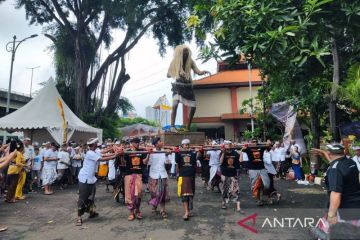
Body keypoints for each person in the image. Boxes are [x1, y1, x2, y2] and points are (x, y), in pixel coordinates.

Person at [312, 144, 360, 235]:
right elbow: (335, 162)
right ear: (343, 152)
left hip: (343, 209)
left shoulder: (335, 169)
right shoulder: (350, 162)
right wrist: (324, 154)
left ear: (329, 153)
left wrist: (331, 215)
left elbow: (336, 193)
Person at [167, 45, 211, 131]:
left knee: (193, 106)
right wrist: (178, 72)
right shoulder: (175, 61)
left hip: (188, 86)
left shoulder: (190, 61)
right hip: (178, 86)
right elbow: (168, 74)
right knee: (175, 105)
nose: (185, 55)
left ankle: (188, 127)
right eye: (184, 54)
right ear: (180, 53)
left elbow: (197, 71)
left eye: (187, 54)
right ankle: (172, 126)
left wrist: (203, 72)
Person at [76, 138, 118, 226]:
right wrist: (116, 155)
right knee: (83, 197)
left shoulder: (95, 151)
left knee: (91, 197)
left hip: (91, 178)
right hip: (85, 179)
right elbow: (101, 159)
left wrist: (113, 150)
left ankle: (91, 212)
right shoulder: (90, 153)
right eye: (96, 143)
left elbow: (103, 153)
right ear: (93, 144)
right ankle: (79, 217)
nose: (97, 144)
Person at [123, 138, 150, 221]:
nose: (137, 144)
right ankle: (131, 212)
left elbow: (145, 162)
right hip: (129, 175)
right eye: (135, 143)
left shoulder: (142, 151)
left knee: (138, 194)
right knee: (129, 194)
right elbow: (123, 162)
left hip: (138, 174)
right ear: (131, 143)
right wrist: (120, 154)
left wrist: (149, 154)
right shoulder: (127, 151)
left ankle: (138, 210)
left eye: (138, 143)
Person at [147, 137, 171, 218]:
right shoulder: (151, 151)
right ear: (156, 143)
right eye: (160, 141)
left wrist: (167, 155)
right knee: (153, 192)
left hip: (162, 174)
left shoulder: (164, 151)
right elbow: (147, 163)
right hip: (153, 175)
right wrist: (148, 154)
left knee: (162, 193)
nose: (162, 142)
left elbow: (167, 163)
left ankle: (163, 210)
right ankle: (154, 205)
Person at [175, 139, 198, 221]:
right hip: (183, 176)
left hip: (191, 176)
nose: (187, 146)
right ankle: (186, 212)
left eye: (188, 144)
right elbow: (177, 163)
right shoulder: (179, 153)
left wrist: (197, 152)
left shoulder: (192, 153)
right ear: (182, 145)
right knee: (184, 195)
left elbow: (194, 163)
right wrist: (177, 174)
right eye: (185, 144)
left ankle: (188, 210)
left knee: (191, 194)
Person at [219, 140, 244, 213]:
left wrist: (241, 152)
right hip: (225, 174)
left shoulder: (235, 153)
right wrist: (223, 153)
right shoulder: (222, 152)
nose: (228, 146)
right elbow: (220, 162)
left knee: (236, 190)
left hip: (233, 174)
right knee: (225, 189)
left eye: (229, 145)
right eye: (227, 145)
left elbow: (240, 161)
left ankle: (238, 207)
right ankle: (223, 202)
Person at [244, 141, 270, 206]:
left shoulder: (261, 148)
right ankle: (259, 200)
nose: (254, 143)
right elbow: (241, 148)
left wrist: (268, 143)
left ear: (257, 143)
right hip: (253, 170)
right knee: (255, 186)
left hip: (262, 169)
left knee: (266, 185)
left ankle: (263, 194)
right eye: (252, 142)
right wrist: (245, 145)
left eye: (255, 142)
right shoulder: (248, 149)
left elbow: (269, 148)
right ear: (251, 143)